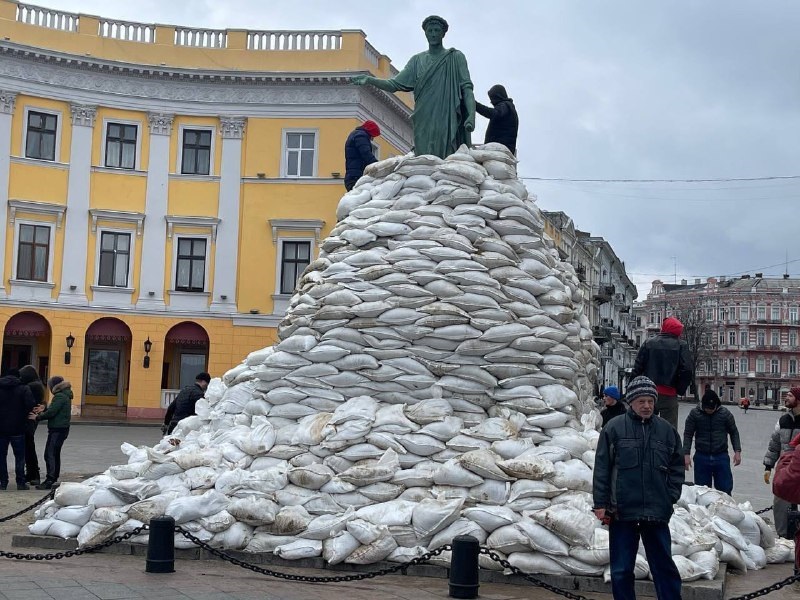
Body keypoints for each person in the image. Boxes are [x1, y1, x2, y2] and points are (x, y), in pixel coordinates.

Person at [593, 376, 684, 600]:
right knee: (622, 570)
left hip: (656, 512)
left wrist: (670, 496)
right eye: (641, 401)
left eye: (650, 401)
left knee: (664, 568)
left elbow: (677, 467)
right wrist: (601, 503)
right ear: (631, 402)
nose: (647, 406)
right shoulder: (614, 428)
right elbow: (602, 468)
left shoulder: (666, 431)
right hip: (623, 511)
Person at [352, 15, 475, 159]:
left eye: (437, 30)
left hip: (446, 114)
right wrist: (370, 80)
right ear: (425, 33)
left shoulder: (455, 57)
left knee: (446, 155)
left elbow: (467, 89)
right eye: (430, 31)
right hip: (423, 116)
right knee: (424, 156)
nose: (433, 34)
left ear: (443, 33)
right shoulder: (417, 61)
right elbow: (394, 84)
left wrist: (471, 115)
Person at [630, 316, 693, 429]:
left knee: (644, 425)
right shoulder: (681, 345)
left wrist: (631, 389)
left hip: (648, 392)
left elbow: (638, 368)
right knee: (669, 429)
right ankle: (666, 446)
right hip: (669, 393)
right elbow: (687, 370)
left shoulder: (649, 343)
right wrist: (680, 389)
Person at [682, 389, 742, 495]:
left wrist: (737, 451)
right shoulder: (695, 414)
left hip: (721, 456)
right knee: (702, 492)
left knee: (724, 491)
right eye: (707, 409)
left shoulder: (725, 414)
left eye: (712, 409)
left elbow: (734, 432)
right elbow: (688, 434)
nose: (709, 411)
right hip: (701, 456)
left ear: (717, 405)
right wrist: (686, 454)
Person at [763, 386, 800, 537]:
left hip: (798, 467)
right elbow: (774, 445)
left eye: (790, 396)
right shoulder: (783, 420)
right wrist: (768, 466)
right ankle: (783, 536)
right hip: (786, 469)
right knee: (780, 502)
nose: (786, 398)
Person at [31, 376, 72, 490]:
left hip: (57, 429)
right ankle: (53, 478)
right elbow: (54, 409)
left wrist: (38, 417)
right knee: (54, 453)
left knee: (49, 454)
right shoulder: (64, 395)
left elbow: (52, 412)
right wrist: (44, 408)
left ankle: (50, 479)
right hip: (62, 429)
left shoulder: (59, 396)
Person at [0, 368, 36, 490]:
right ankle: (20, 482)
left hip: (1, 429)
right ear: (18, 376)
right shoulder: (24, 388)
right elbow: (30, 404)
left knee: (1, 456)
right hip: (18, 427)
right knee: (20, 457)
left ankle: (3, 482)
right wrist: (23, 415)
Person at [19, 365, 46, 485]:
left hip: (29, 419)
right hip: (32, 419)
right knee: (28, 447)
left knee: (28, 447)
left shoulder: (32, 386)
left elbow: (29, 402)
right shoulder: (37, 384)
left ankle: (33, 474)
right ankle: (31, 473)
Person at [475, 84, 519, 155]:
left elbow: (493, 114)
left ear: (498, 96)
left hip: (499, 148)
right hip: (501, 148)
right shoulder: (508, 107)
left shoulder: (505, 105)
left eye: (492, 98)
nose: (491, 102)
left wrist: (475, 105)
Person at [344, 121, 380, 191]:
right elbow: (366, 153)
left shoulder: (356, 135)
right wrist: (377, 165)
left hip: (352, 175)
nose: (372, 138)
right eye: (373, 135)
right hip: (356, 176)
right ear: (370, 132)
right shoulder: (361, 136)